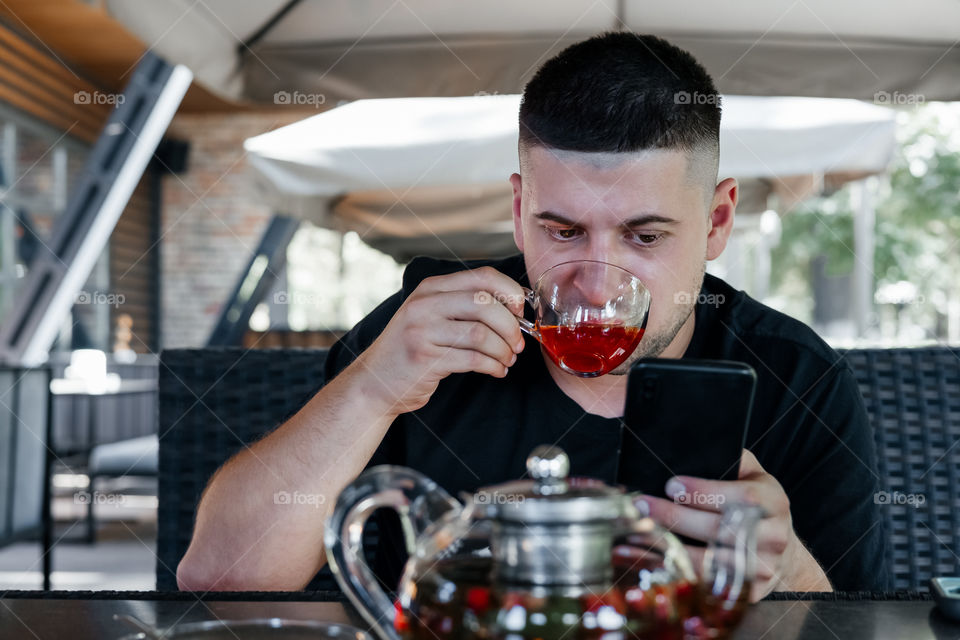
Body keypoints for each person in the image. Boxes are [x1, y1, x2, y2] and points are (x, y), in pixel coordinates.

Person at [176, 32, 890, 598]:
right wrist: (370, 389)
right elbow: (217, 579)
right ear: (518, 211)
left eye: (644, 237)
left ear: (717, 220)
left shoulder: (794, 376)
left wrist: (788, 571)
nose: (591, 284)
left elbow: (868, 627)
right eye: (562, 230)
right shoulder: (422, 335)